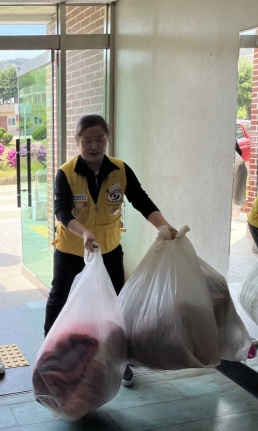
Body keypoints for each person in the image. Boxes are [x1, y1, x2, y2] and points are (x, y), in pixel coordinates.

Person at [46, 114, 177, 387]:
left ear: (107, 139)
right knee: (60, 298)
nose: (94, 146)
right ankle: (50, 356)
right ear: (77, 141)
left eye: (100, 139)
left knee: (116, 301)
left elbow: (141, 200)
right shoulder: (66, 172)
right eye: (87, 140)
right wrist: (83, 233)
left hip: (109, 248)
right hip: (72, 249)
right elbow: (61, 211)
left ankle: (119, 359)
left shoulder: (120, 169)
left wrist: (164, 226)